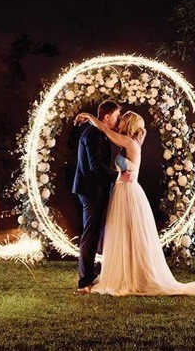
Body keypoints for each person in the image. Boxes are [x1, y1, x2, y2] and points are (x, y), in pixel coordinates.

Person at [74, 110, 195, 297]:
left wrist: (89, 117)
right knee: (123, 234)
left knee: (129, 233)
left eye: (122, 120)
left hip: (128, 193)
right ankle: (124, 272)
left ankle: (132, 276)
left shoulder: (130, 143)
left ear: (128, 124)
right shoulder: (129, 143)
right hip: (122, 192)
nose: (119, 122)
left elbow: (105, 131)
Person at [72, 100, 122, 292]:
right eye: (116, 117)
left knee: (93, 233)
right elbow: (95, 166)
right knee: (90, 234)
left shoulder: (98, 132)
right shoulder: (93, 134)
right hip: (91, 190)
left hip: (93, 190)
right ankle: (84, 280)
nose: (117, 121)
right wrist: (118, 176)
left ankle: (89, 275)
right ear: (107, 117)